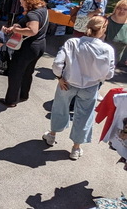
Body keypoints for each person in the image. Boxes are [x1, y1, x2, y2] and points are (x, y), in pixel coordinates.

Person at [43, 16, 115, 160]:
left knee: (59, 108)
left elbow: (57, 64)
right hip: (90, 86)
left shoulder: (72, 42)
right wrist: (97, 79)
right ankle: (76, 148)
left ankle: (52, 135)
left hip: (67, 83)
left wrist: (59, 78)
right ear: (103, 30)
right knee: (84, 115)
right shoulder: (107, 49)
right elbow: (109, 74)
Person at [1, 0, 48, 108]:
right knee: (28, 71)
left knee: (15, 72)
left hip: (28, 47)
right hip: (40, 45)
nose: (21, 5)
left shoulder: (33, 14)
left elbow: (32, 30)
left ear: (28, 1)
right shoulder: (43, 9)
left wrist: (16, 29)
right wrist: (17, 26)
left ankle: (11, 100)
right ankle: (23, 94)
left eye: (22, 2)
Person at [106, 0, 127, 67]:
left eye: (125, 9)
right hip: (103, 59)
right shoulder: (106, 21)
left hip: (119, 62)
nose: (121, 11)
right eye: (119, 8)